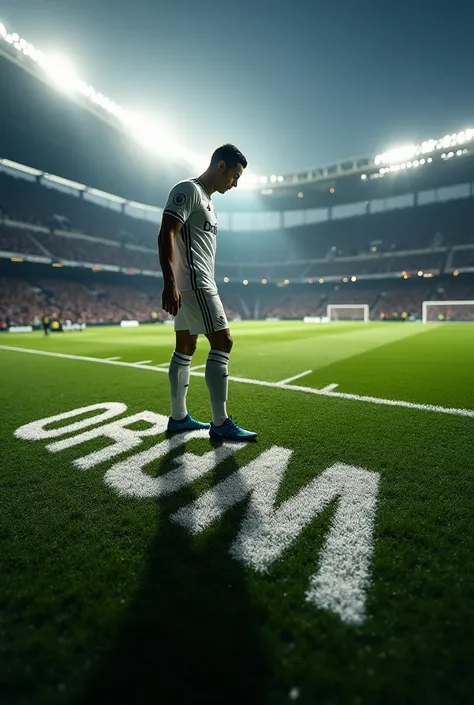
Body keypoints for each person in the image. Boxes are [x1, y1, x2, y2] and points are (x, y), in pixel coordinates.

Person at [158, 144, 257, 441]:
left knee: (185, 348)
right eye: (235, 176)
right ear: (221, 165)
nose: (235, 183)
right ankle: (220, 422)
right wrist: (170, 282)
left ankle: (178, 418)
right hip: (196, 281)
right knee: (223, 342)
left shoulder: (210, 203)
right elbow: (166, 233)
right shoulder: (188, 190)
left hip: (194, 281)